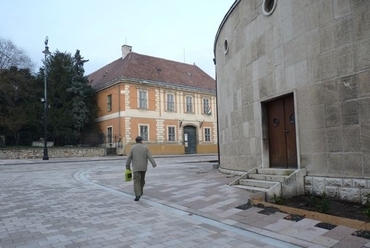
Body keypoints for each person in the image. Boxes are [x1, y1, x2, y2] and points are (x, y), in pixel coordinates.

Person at [125, 136, 157, 201]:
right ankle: (141, 191)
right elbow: (149, 156)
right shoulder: (145, 148)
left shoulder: (132, 148)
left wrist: (127, 166)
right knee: (142, 180)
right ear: (141, 141)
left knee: (136, 180)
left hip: (136, 167)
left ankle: (137, 195)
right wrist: (153, 163)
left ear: (136, 141)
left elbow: (129, 157)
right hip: (143, 167)